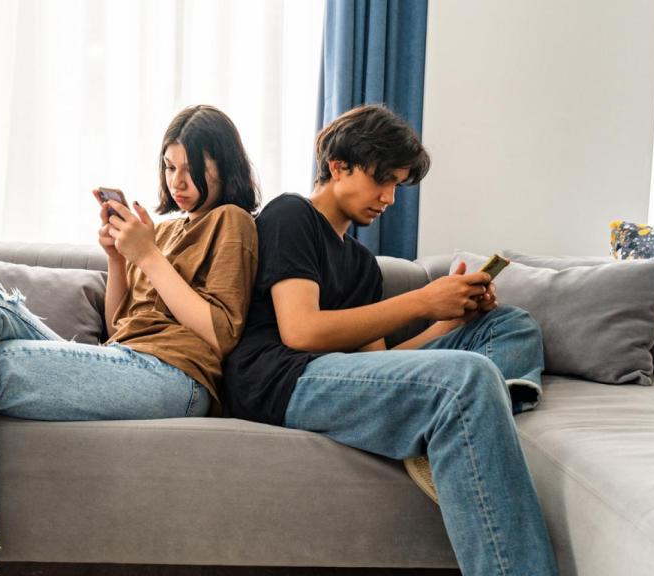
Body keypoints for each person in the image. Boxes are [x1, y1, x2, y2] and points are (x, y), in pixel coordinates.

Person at [0, 104, 259, 576]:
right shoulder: (162, 228)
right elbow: (120, 326)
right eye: (169, 166)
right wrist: (118, 259)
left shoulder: (231, 221)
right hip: (123, 358)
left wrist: (148, 255)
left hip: (175, 379)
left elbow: (220, 333)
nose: (178, 182)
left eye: (192, 169)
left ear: (224, 165)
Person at [223, 104, 559, 576]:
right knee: (467, 378)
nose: (390, 198)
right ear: (338, 165)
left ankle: (459, 430)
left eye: (397, 185)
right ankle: (460, 431)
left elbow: (382, 365)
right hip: (278, 378)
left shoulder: (361, 263)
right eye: (383, 180)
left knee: (511, 324)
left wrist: (450, 320)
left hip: (338, 377)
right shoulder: (291, 215)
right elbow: (300, 331)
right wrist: (423, 301)